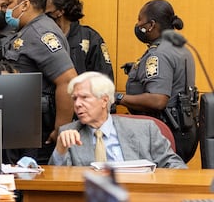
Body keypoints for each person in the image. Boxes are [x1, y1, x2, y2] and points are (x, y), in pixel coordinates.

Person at [2, 0, 77, 164]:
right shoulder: (28, 30)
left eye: (10, 3)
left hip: (37, 127)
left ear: (25, 4)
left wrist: (61, 129)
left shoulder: (41, 32)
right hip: (24, 123)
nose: (7, 9)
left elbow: (67, 80)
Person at [49, 71, 186, 168]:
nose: (77, 104)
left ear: (104, 100)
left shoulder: (145, 129)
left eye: (84, 97)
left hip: (139, 199)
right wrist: (60, 150)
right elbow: (56, 181)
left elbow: (175, 166)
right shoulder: (69, 133)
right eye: (75, 99)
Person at [117, 0, 198, 162]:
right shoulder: (179, 48)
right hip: (185, 130)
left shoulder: (159, 54)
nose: (138, 24)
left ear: (151, 25)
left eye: (140, 20)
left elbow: (157, 100)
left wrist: (118, 98)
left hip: (165, 133)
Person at [45, 0, 114, 79]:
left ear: (60, 11)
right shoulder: (40, 36)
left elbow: (104, 79)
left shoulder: (90, 38)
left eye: (47, 13)